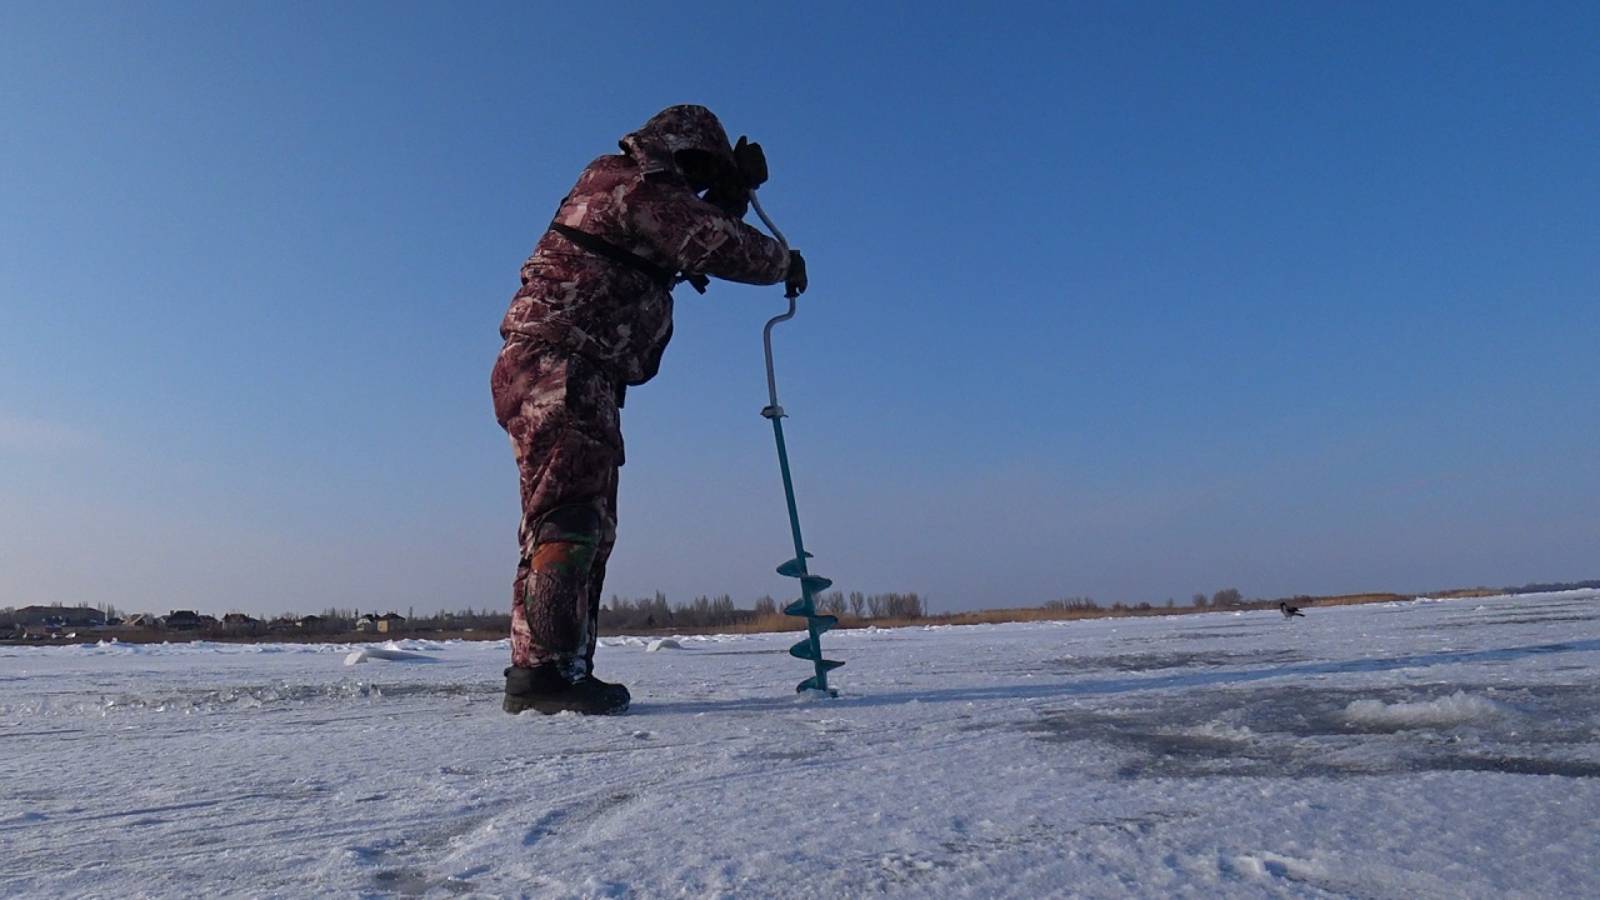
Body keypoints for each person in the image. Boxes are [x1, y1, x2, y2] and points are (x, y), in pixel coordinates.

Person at [491, 105, 807, 715]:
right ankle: (549, 678)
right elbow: (707, 239)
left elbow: (685, 233)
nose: (697, 185)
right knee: (571, 519)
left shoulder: (629, 190)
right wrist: (781, 262)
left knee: (571, 521)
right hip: (564, 365)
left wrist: (732, 195)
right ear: (681, 153)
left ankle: (549, 667)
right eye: (700, 171)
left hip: (565, 366)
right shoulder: (629, 181)